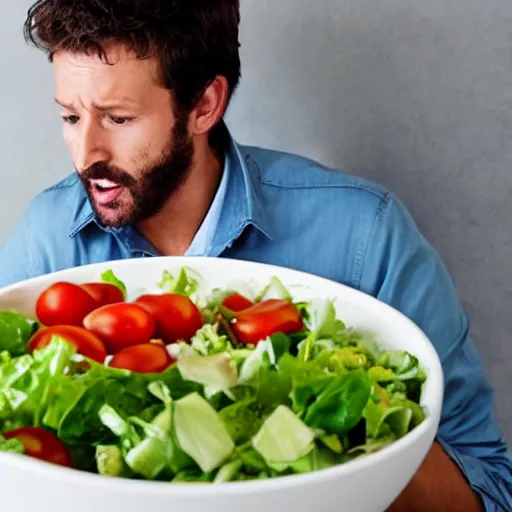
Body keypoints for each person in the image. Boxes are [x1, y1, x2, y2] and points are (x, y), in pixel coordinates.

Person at [0, 1, 510, 509]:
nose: (86, 153)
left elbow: (490, 488)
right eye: (69, 116)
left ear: (204, 105)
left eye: (118, 118)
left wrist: (345, 451)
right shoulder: (49, 238)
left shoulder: (363, 235)